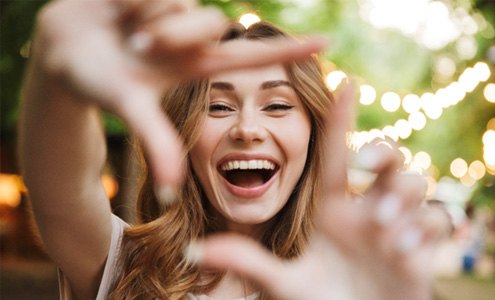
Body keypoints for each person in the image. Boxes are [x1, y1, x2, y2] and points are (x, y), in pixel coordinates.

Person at [18, 0, 449, 299]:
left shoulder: (356, 279)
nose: (247, 128)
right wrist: (57, 84)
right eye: (218, 106)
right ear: (183, 132)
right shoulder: (119, 263)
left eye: (277, 105)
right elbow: (63, 185)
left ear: (315, 134)